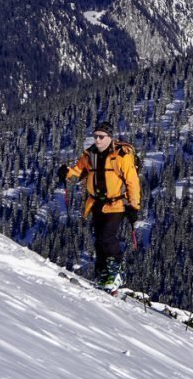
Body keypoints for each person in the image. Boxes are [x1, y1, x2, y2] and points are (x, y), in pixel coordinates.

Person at [58, 121, 141, 290]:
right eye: (95, 136)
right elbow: (77, 174)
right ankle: (103, 274)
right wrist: (66, 174)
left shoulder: (121, 156)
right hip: (96, 203)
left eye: (101, 137)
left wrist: (134, 206)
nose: (97, 140)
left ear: (110, 138)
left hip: (116, 204)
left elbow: (132, 181)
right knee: (99, 241)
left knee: (107, 237)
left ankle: (116, 273)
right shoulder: (90, 155)